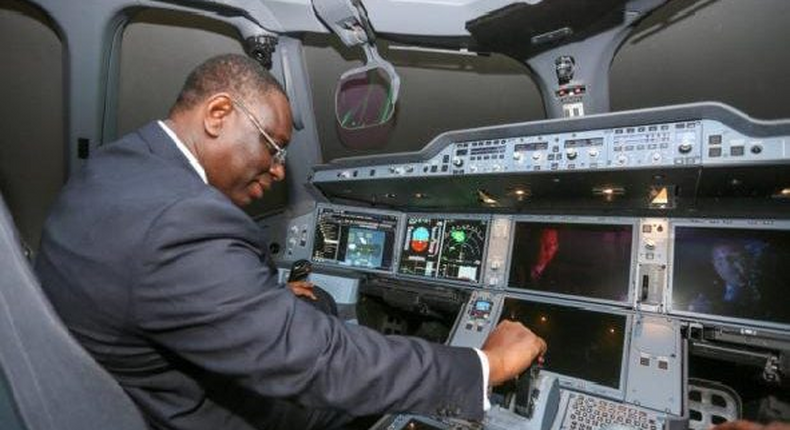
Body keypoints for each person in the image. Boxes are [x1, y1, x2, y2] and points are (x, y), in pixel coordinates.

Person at [35, 54, 546, 430]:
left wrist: (265, 303)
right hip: (192, 416)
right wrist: (484, 365)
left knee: (318, 302)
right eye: (275, 145)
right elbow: (322, 363)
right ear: (218, 115)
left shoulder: (113, 166)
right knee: (362, 391)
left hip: (130, 387)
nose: (280, 171)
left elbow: (158, 286)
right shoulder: (183, 219)